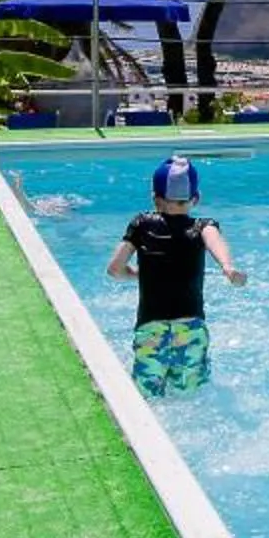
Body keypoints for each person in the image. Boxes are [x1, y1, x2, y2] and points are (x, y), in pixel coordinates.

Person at [106, 155, 245, 397]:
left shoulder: (141, 223)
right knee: (191, 397)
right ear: (196, 198)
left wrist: (138, 275)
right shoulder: (203, 226)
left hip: (152, 328)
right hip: (190, 328)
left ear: (155, 199)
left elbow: (114, 269)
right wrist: (227, 266)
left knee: (146, 398)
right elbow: (213, 239)